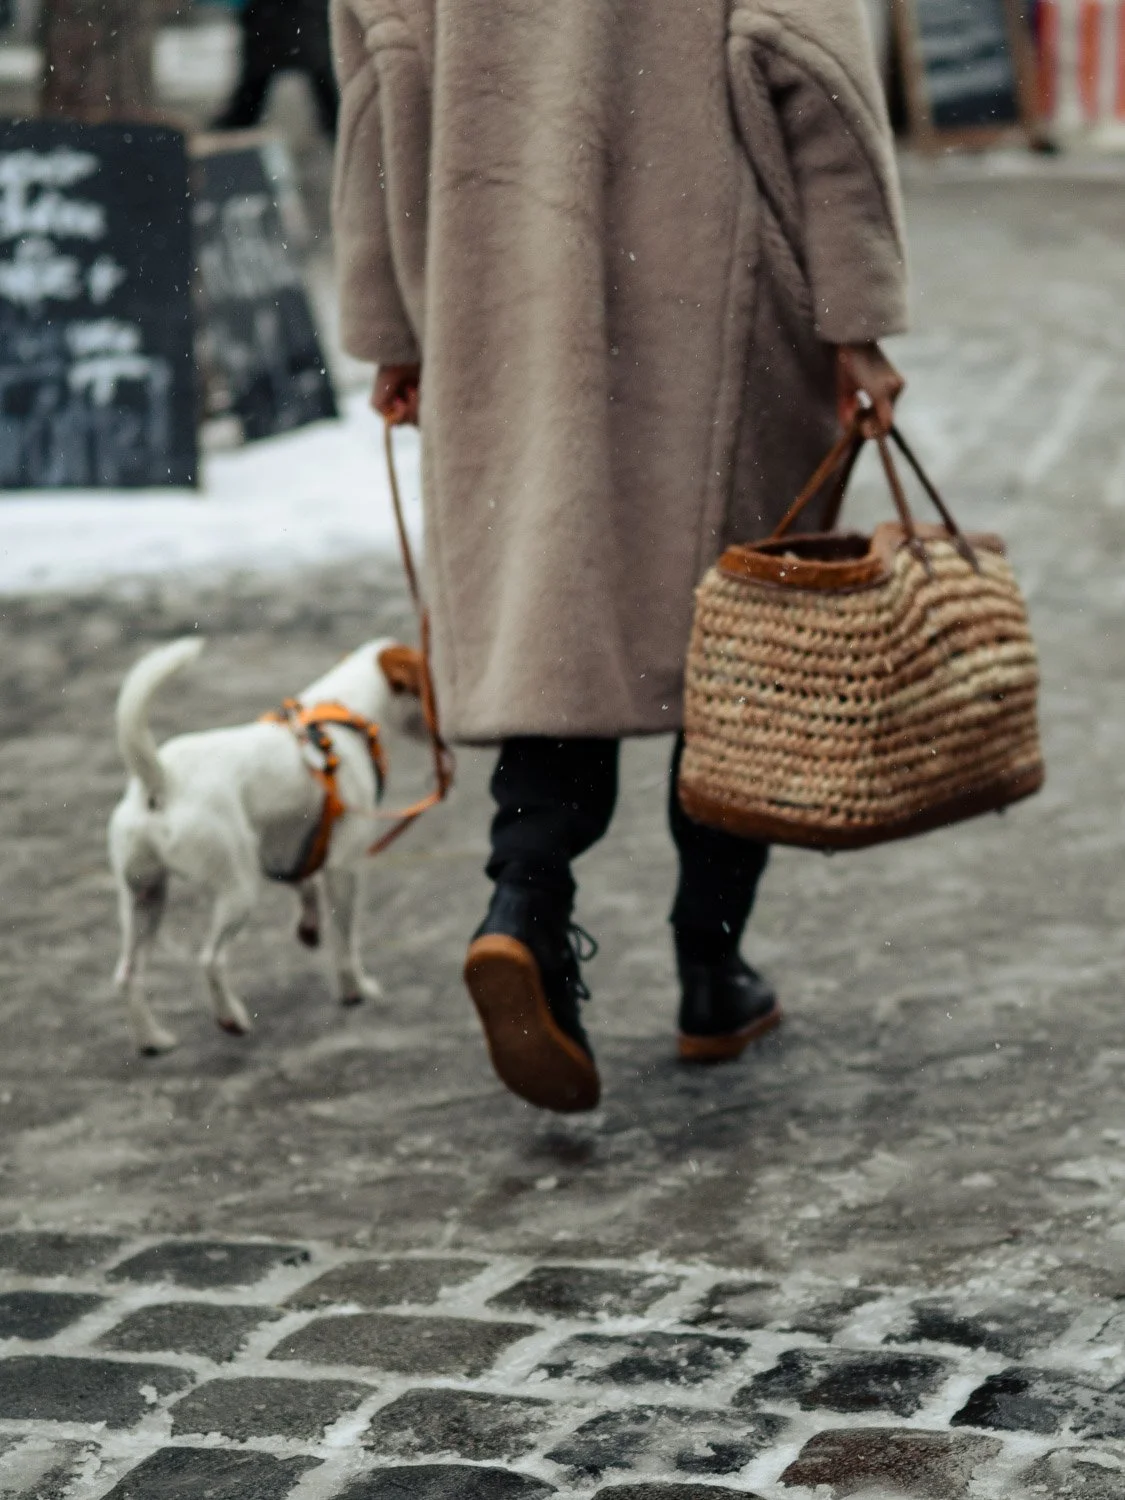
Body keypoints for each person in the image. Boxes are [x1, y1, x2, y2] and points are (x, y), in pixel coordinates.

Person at [331, 0, 907, 1114]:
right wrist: (859, 318)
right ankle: (711, 964)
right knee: (741, 633)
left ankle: (525, 905)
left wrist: (393, 327)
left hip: (500, 300)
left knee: (559, 597)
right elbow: (817, 71)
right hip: (717, 290)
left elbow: (377, 84)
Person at [214, 0, 338, 137]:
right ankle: (338, 125)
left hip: (277, 23)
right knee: (325, 87)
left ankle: (237, 124)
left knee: (252, 89)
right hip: (295, 23)